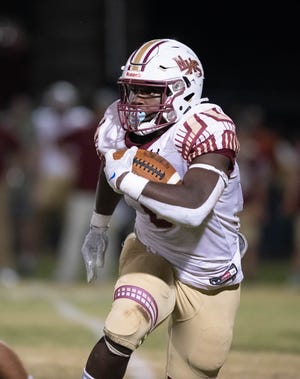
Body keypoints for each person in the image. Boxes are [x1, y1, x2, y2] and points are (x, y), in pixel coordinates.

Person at [80, 38, 246, 379]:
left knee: (200, 366)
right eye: (132, 89)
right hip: (153, 250)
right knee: (124, 323)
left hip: (210, 272)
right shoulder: (116, 123)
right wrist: (98, 228)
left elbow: (194, 207)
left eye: (150, 91)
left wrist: (126, 178)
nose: (136, 101)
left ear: (184, 90)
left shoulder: (207, 129)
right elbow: (111, 167)